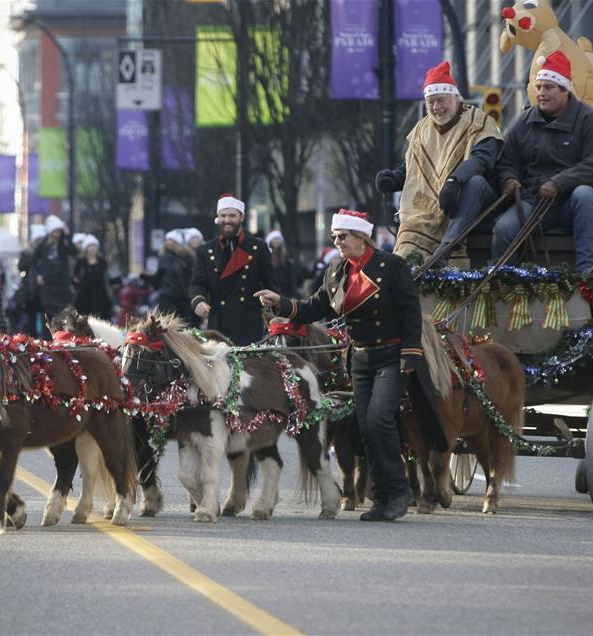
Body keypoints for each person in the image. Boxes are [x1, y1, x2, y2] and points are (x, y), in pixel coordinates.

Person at [255, 209, 447, 522]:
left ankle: (399, 492)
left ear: (361, 237)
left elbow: (410, 311)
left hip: (393, 354)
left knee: (379, 418)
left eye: (342, 236)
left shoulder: (391, 266)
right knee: (366, 427)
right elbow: (313, 307)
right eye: (335, 237)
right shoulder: (336, 271)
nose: (338, 242)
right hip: (359, 358)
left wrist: (411, 351)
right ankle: (381, 497)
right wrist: (280, 302)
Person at [491, 51, 593, 274]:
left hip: (575, 203)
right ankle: (503, 281)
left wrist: (559, 183)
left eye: (548, 88)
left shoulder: (590, 121)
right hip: (534, 201)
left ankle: (588, 273)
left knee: (584, 195)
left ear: (565, 89)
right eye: (539, 87)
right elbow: (508, 159)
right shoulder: (525, 122)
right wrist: (509, 178)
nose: (541, 93)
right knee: (504, 228)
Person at [376, 61, 502, 266]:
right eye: (431, 102)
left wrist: (455, 180)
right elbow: (415, 166)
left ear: (454, 96)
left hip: (474, 198)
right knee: (406, 250)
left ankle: (446, 250)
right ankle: (407, 268)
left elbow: (483, 159)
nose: (436, 107)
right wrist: (394, 178)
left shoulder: (479, 120)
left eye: (440, 100)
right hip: (428, 206)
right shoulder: (421, 128)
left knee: (475, 182)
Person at [190, 194, 279, 345]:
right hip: (218, 324)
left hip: (249, 323)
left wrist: (273, 305)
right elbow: (197, 283)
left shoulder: (258, 247)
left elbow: (271, 284)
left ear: (241, 216)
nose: (227, 220)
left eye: (232, 215)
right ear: (218, 217)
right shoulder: (205, 251)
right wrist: (198, 300)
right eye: (223, 215)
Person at [32, 215, 77, 324]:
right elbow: (33, 261)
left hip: (62, 284)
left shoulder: (64, 243)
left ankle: (61, 337)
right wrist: (38, 275)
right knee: (48, 313)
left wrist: (67, 236)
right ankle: (47, 337)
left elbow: (74, 252)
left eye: (59, 230)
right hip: (47, 284)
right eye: (55, 230)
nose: (58, 233)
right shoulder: (43, 244)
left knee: (62, 313)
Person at [145, 230, 197, 324]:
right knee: (168, 323)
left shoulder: (188, 257)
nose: (168, 242)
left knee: (185, 323)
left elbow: (192, 276)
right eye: (167, 240)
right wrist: (146, 277)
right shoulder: (163, 258)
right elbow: (158, 278)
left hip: (184, 298)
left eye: (171, 240)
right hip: (167, 297)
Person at [73, 236, 114, 320]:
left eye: (94, 246)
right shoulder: (80, 262)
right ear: (86, 248)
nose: (92, 248)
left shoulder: (102, 262)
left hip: (101, 296)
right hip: (84, 298)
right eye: (90, 246)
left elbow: (108, 277)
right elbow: (75, 277)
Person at [266, 230, 302, 298]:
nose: (277, 241)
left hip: (288, 293)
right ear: (271, 242)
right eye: (275, 239)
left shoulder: (287, 258)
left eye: (278, 239)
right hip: (274, 292)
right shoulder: (268, 259)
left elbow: (292, 277)